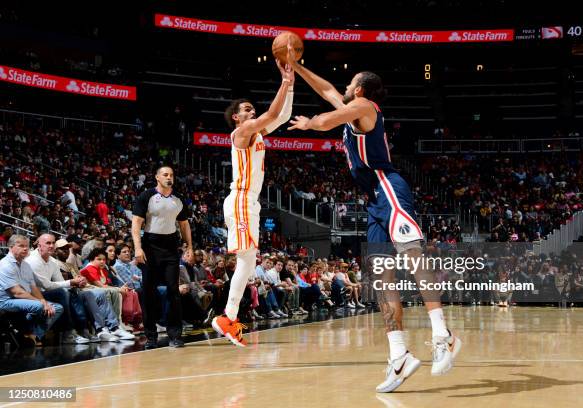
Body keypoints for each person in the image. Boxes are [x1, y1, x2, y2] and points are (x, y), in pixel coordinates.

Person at [287, 50, 461, 392]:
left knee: (414, 258)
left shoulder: (365, 108)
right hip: (374, 201)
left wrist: (310, 123)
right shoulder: (352, 107)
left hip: (389, 188)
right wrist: (296, 67)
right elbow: (325, 91)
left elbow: (325, 120)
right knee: (382, 277)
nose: (344, 88)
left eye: (350, 85)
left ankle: (444, 334)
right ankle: (399, 355)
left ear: (361, 91)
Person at [211, 57, 295, 347]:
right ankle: (227, 316)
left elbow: (281, 117)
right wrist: (283, 81)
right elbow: (273, 112)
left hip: (251, 202)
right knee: (245, 261)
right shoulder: (242, 132)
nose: (252, 110)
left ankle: (228, 317)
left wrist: (291, 85)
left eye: (251, 108)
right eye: (246, 109)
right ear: (236, 117)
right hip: (241, 200)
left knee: (247, 262)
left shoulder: (256, 132)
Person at [132, 165, 193, 349]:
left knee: (173, 290)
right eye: (165, 174)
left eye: (172, 175)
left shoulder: (178, 199)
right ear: (157, 177)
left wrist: (189, 246)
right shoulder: (146, 196)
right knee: (148, 292)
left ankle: (175, 335)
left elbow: (184, 225)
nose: (169, 177)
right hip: (150, 245)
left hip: (170, 246)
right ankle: (151, 336)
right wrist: (138, 247)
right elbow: (136, 223)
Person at [0, 235, 64, 347]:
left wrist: (43, 301)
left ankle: (34, 336)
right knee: (39, 306)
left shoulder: (26, 265)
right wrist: (41, 303)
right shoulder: (5, 264)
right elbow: (17, 292)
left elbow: (33, 288)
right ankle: (27, 332)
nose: (25, 249)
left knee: (57, 308)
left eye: (27, 246)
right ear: (10, 247)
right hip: (6, 301)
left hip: (22, 299)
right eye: (21, 246)